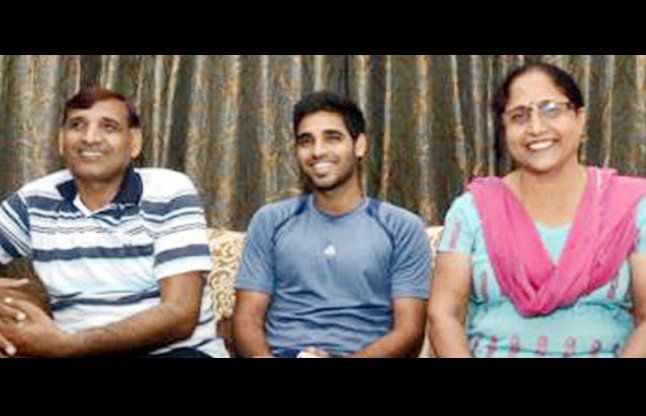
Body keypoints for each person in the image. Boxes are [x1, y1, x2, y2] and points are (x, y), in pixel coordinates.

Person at [428, 62, 646, 358]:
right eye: (519, 116)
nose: (536, 128)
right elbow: (444, 316)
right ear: (504, 130)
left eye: (551, 109)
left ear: (580, 119)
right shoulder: (472, 210)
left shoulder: (632, 207)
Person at [0, 87, 228, 357]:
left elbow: (179, 315)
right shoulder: (34, 200)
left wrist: (69, 347)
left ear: (134, 143)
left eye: (108, 127)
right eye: (77, 125)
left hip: (175, 352)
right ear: (61, 140)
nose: (90, 138)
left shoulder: (168, 190)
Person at [233, 91, 431, 358]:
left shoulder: (402, 227)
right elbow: (247, 319)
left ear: (359, 145)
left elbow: (409, 331)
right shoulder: (270, 220)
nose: (317, 151)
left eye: (332, 138)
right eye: (306, 141)